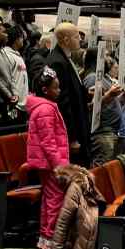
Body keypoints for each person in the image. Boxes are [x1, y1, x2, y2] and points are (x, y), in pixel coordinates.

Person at [26, 66, 70, 249]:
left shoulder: (44, 107)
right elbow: (48, 142)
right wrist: (60, 166)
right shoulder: (45, 109)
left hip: (48, 164)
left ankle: (46, 237)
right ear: (45, 90)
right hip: (51, 164)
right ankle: (51, 238)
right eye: (56, 88)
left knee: (49, 199)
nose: (59, 91)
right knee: (55, 200)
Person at [46, 22, 91, 166]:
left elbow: (72, 89)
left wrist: (85, 92)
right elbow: (62, 103)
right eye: (77, 37)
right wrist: (71, 138)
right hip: (73, 130)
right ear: (66, 40)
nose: (80, 40)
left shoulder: (66, 58)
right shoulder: (57, 62)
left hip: (80, 124)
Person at [82, 52, 123, 167]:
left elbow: (110, 101)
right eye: (105, 56)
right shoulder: (92, 78)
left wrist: (123, 96)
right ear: (96, 60)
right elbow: (91, 106)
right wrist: (110, 95)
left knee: (110, 168)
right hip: (102, 132)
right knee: (102, 170)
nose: (108, 59)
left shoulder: (103, 77)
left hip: (111, 131)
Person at [0, 21, 18, 121]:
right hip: (0, 99)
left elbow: (11, 74)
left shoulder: (3, 51)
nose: (7, 35)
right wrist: (9, 95)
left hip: (9, 98)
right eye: (4, 32)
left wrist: (15, 92)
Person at [4, 24, 29, 114]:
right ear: (16, 39)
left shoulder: (17, 55)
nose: (23, 40)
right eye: (21, 37)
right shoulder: (8, 55)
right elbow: (7, 80)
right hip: (14, 104)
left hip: (22, 104)